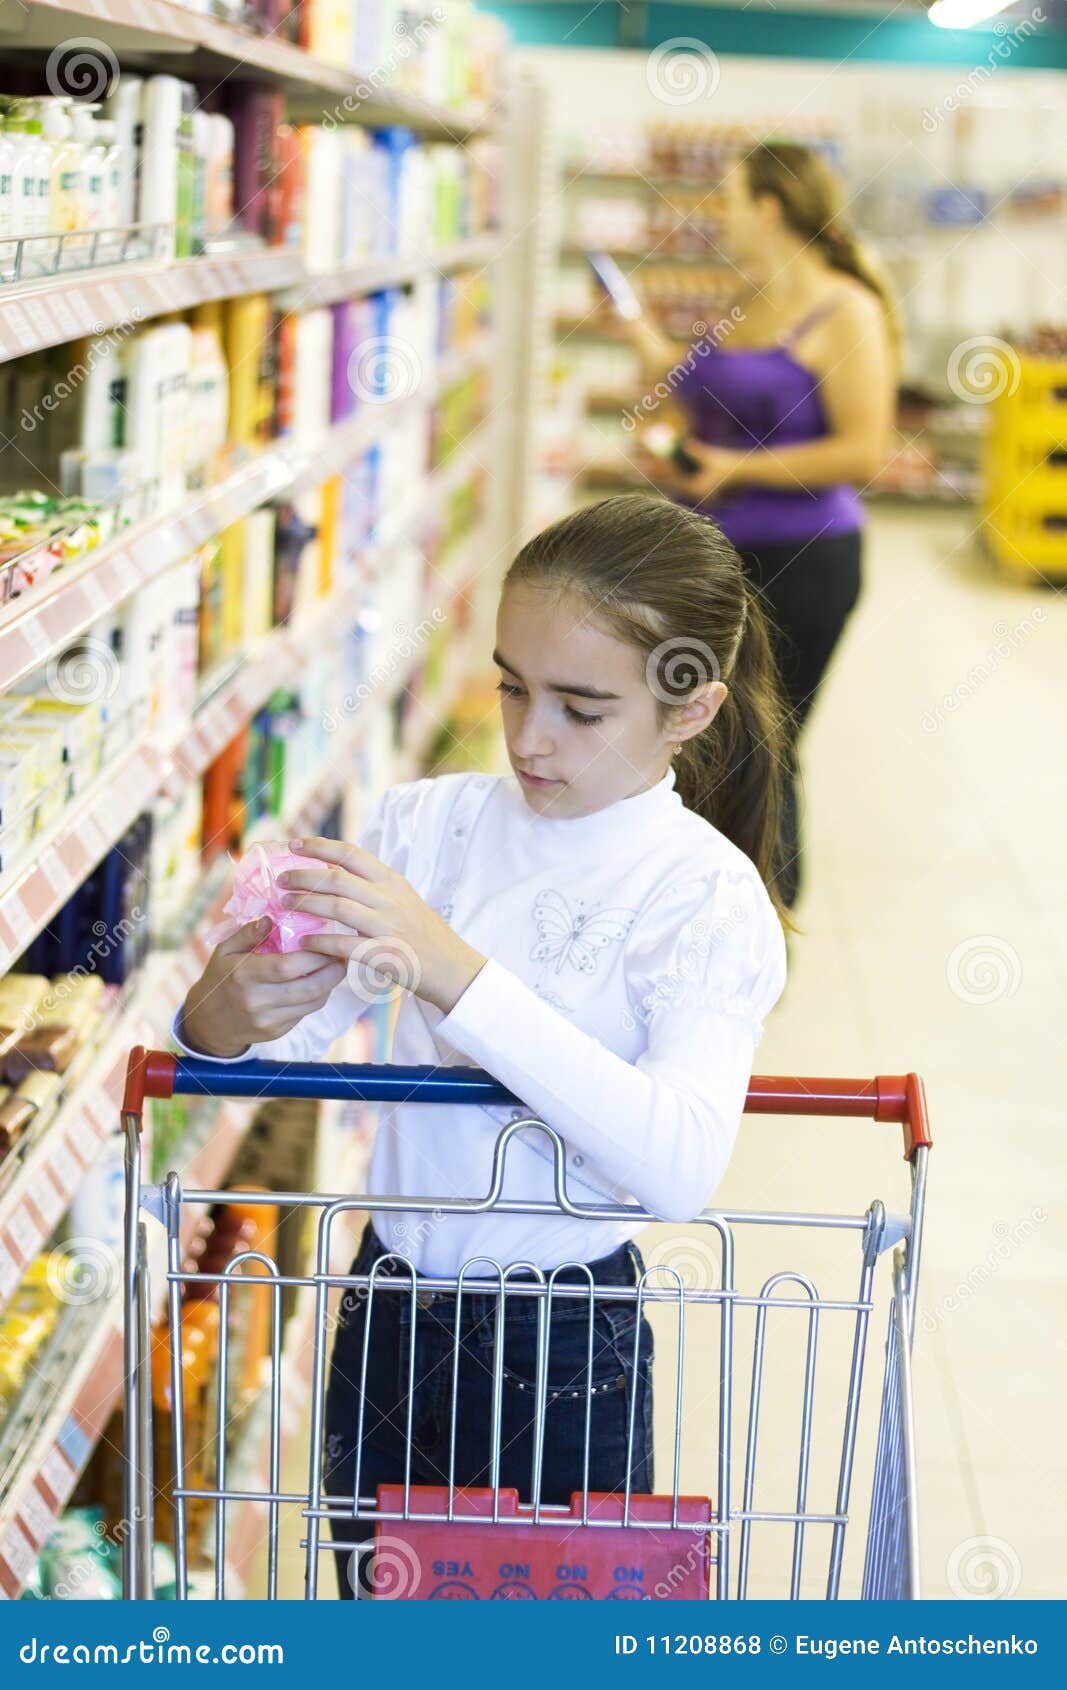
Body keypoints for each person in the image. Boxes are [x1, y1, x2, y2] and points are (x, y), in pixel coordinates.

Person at [172, 493, 790, 1598]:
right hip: (389, 1309)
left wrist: (450, 967)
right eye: (511, 684)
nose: (525, 735)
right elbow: (248, 1040)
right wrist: (225, 1002)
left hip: (557, 1347)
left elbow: (679, 1161)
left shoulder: (702, 894)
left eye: (580, 707)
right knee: (383, 1626)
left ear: (685, 709)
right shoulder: (428, 826)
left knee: (538, 1659)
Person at [608, 142, 896, 909]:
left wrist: (736, 469)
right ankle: (690, 905)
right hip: (706, 557)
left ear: (769, 208)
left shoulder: (846, 310)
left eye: (728, 201)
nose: (718, 217)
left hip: (803, 562)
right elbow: (693, 396)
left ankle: (765, 919)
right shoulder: (743, 303)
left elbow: (863, 449)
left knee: (764, 744)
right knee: (693, 737)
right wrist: (663, 425)